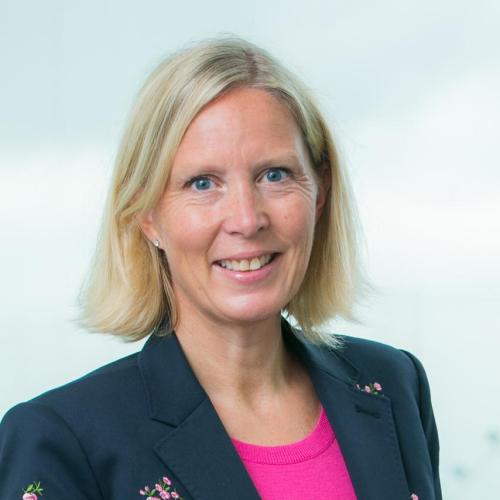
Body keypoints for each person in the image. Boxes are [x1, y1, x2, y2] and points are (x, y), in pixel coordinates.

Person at [0, 37, 441, 500]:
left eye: (274, 175)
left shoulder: (394, 384)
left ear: (320, 191)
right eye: (202, 183)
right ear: (146, 213)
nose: (247, 219)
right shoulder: (59, 441)